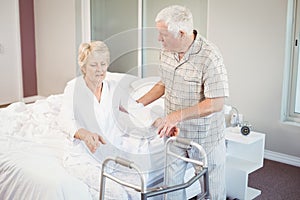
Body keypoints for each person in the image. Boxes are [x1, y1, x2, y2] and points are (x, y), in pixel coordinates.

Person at [137, 5, 229, 200]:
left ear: (181, 33)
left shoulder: (210, 56)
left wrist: (175, 116)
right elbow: (164, 84)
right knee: (172, 190)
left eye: (163, 35)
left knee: (212, 192)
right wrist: (138, 103)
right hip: (175, 135)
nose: (159, 39)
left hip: (205, 137)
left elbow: (216, 103)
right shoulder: (166, 51)